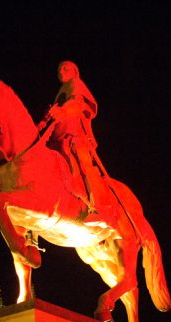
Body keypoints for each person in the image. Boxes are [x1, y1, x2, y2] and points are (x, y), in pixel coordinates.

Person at [38, 61, 115, 226]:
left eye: (65, 68)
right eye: (59, 69)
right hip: (56, 139)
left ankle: (98, 209)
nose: (61, 71)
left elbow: (78, 103)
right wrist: (43, 123)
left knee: (83, 166)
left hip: (74, 136)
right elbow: (54, 114)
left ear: (75, 71)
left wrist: (63, 110)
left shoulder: (75, 84)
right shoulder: (61, 91)